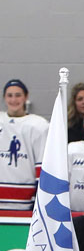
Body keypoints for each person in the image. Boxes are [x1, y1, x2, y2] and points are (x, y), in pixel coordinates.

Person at [0, 80, 47, 211]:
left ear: (26, 97)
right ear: (4, 98)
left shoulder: (38, 126)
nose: (13, 99)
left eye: (18, 95)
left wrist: (39, 198)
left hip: (25, 201)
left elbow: (42, 166)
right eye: (10, 95)